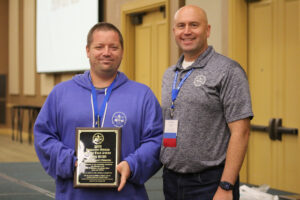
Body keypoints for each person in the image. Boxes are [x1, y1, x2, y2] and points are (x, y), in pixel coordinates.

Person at [34, 22, 163, 200]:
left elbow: (156, 140)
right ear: (88, 51)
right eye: (99, 47)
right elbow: (43, 137)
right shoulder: (60, 94)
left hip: (126, 195)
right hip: (74, 195)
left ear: (122, 52)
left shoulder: (142, 95)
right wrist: (73, 163)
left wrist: (131, 165)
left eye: (113, 47)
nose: (106, 52)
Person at [160, 5, 253, 200]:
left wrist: (226, 185)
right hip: (171, 180)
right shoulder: (170, 74)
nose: (187, 31)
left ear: (208, 30)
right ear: (174, 31)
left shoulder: (228, 71)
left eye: (194, 25)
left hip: (209, 183)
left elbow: (241, 132)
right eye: (181, 25)